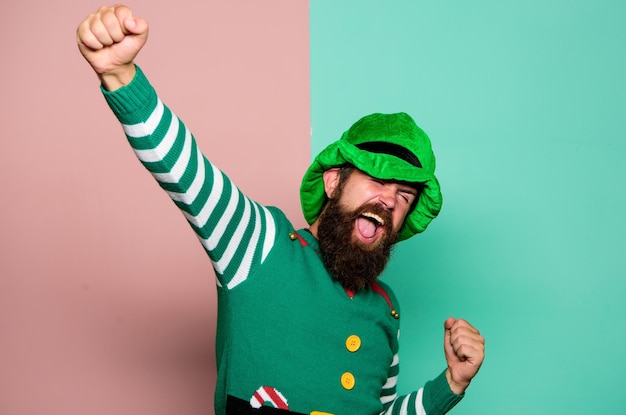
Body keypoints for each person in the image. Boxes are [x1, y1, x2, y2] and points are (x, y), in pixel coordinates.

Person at [77, 5, 485, 415]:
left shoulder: (386, 309)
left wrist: (449, 384)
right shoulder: (260, 244)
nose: (390, 200)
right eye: (377, 180)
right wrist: (121, 76)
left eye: (405, 196)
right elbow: (187, 172)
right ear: (333, 180)